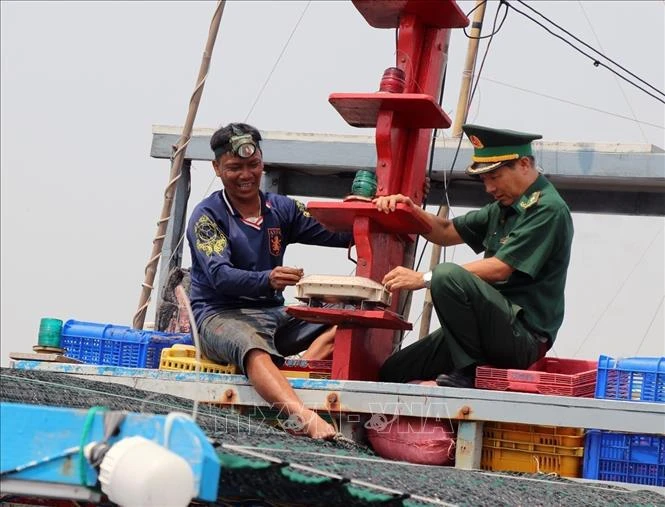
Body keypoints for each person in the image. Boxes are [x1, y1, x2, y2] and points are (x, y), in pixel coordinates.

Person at [374, 124, 574, 388]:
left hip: (522, 336)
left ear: (524, 164)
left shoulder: (547, 208)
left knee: (446, 275)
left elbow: (501, 268)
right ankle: (461, 374)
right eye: (484, 179)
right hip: (487, 328)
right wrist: (409, 211)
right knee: (393, 372)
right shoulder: (503, 207)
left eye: (495, 177)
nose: (489, 188)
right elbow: (446, 231)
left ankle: (469, 371)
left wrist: (423, 278)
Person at [186, 122, 352, 438]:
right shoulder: (207, 216)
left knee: (346, 315)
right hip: (218, 317)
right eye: (235, 167)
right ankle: (302, 416)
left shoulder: (282, 208)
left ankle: (294, 380)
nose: (246, 174)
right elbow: (220, 277)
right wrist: (268, 279)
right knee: (251, 346)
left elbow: (338, 231)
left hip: (274, 317)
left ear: (262, 162)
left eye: (254, 165)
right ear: (217, 168)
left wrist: (381, 207)